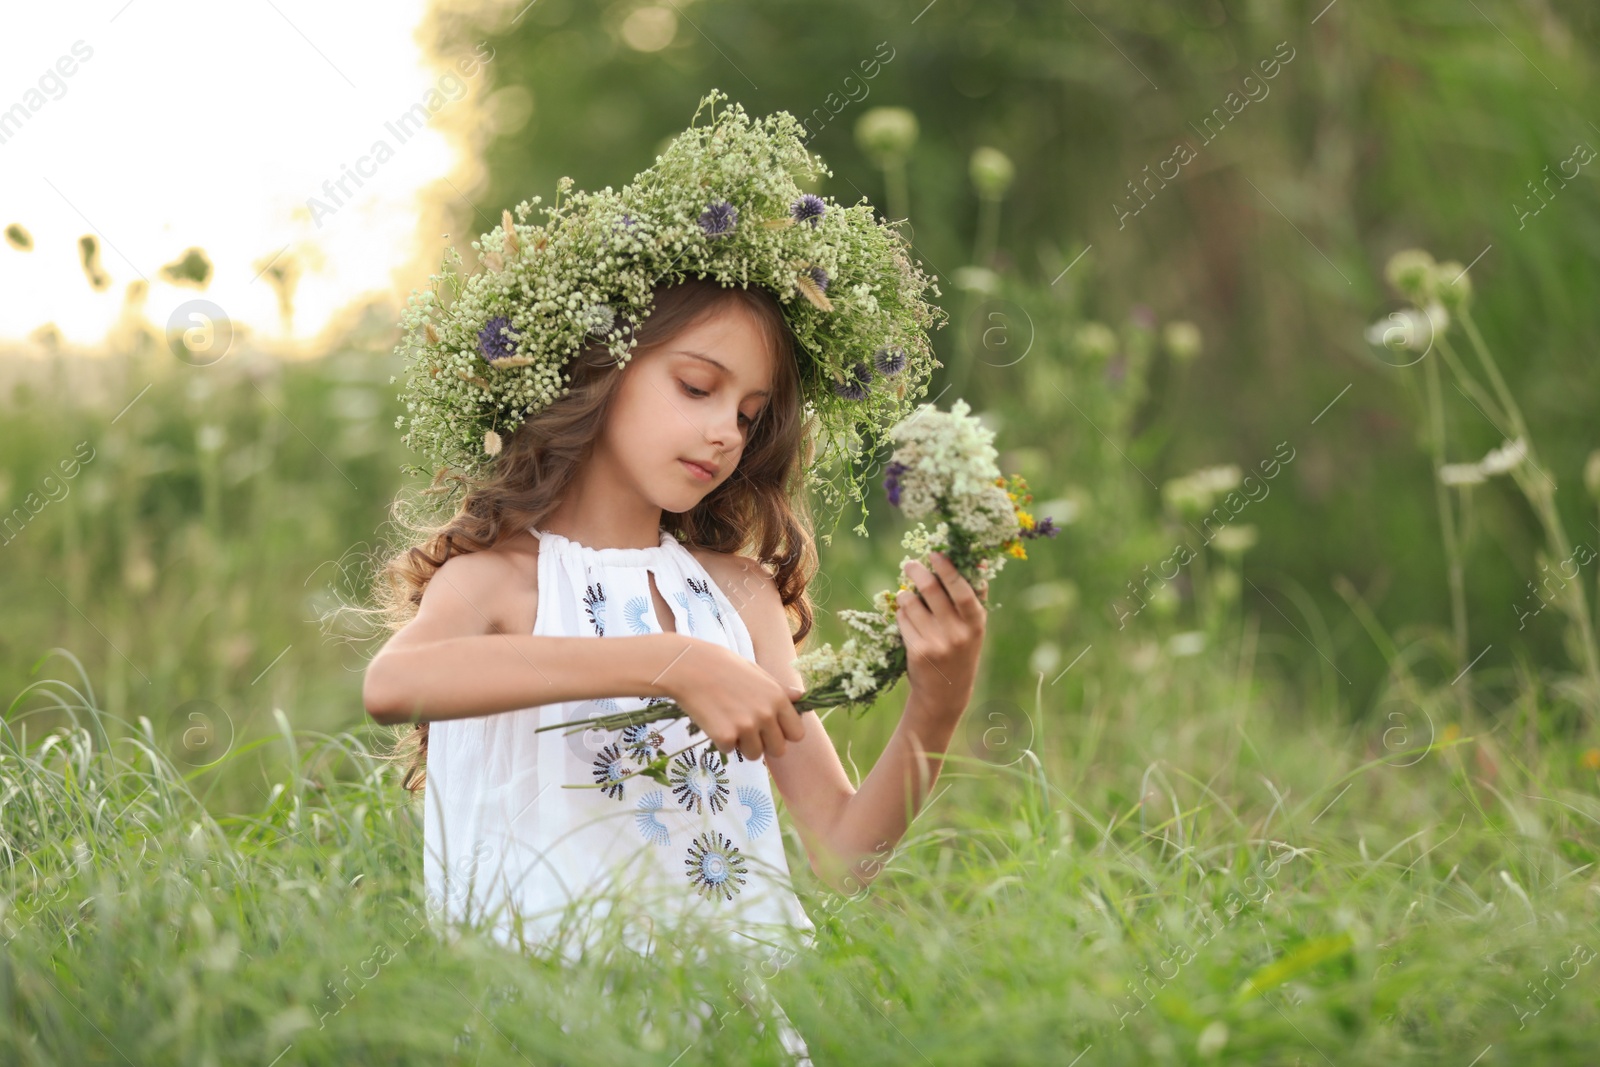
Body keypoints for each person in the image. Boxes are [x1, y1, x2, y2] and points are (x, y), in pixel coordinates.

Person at [362, 90, 981, 1060]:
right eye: (695, 386)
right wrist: (667, 663)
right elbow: (392, 683)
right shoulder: (502, 578)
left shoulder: (737, 597)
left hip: (727, 1029)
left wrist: (933, 707)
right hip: (547, 1025)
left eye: (747, 411)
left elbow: (841, 852)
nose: (723, 431)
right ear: (602, 368)